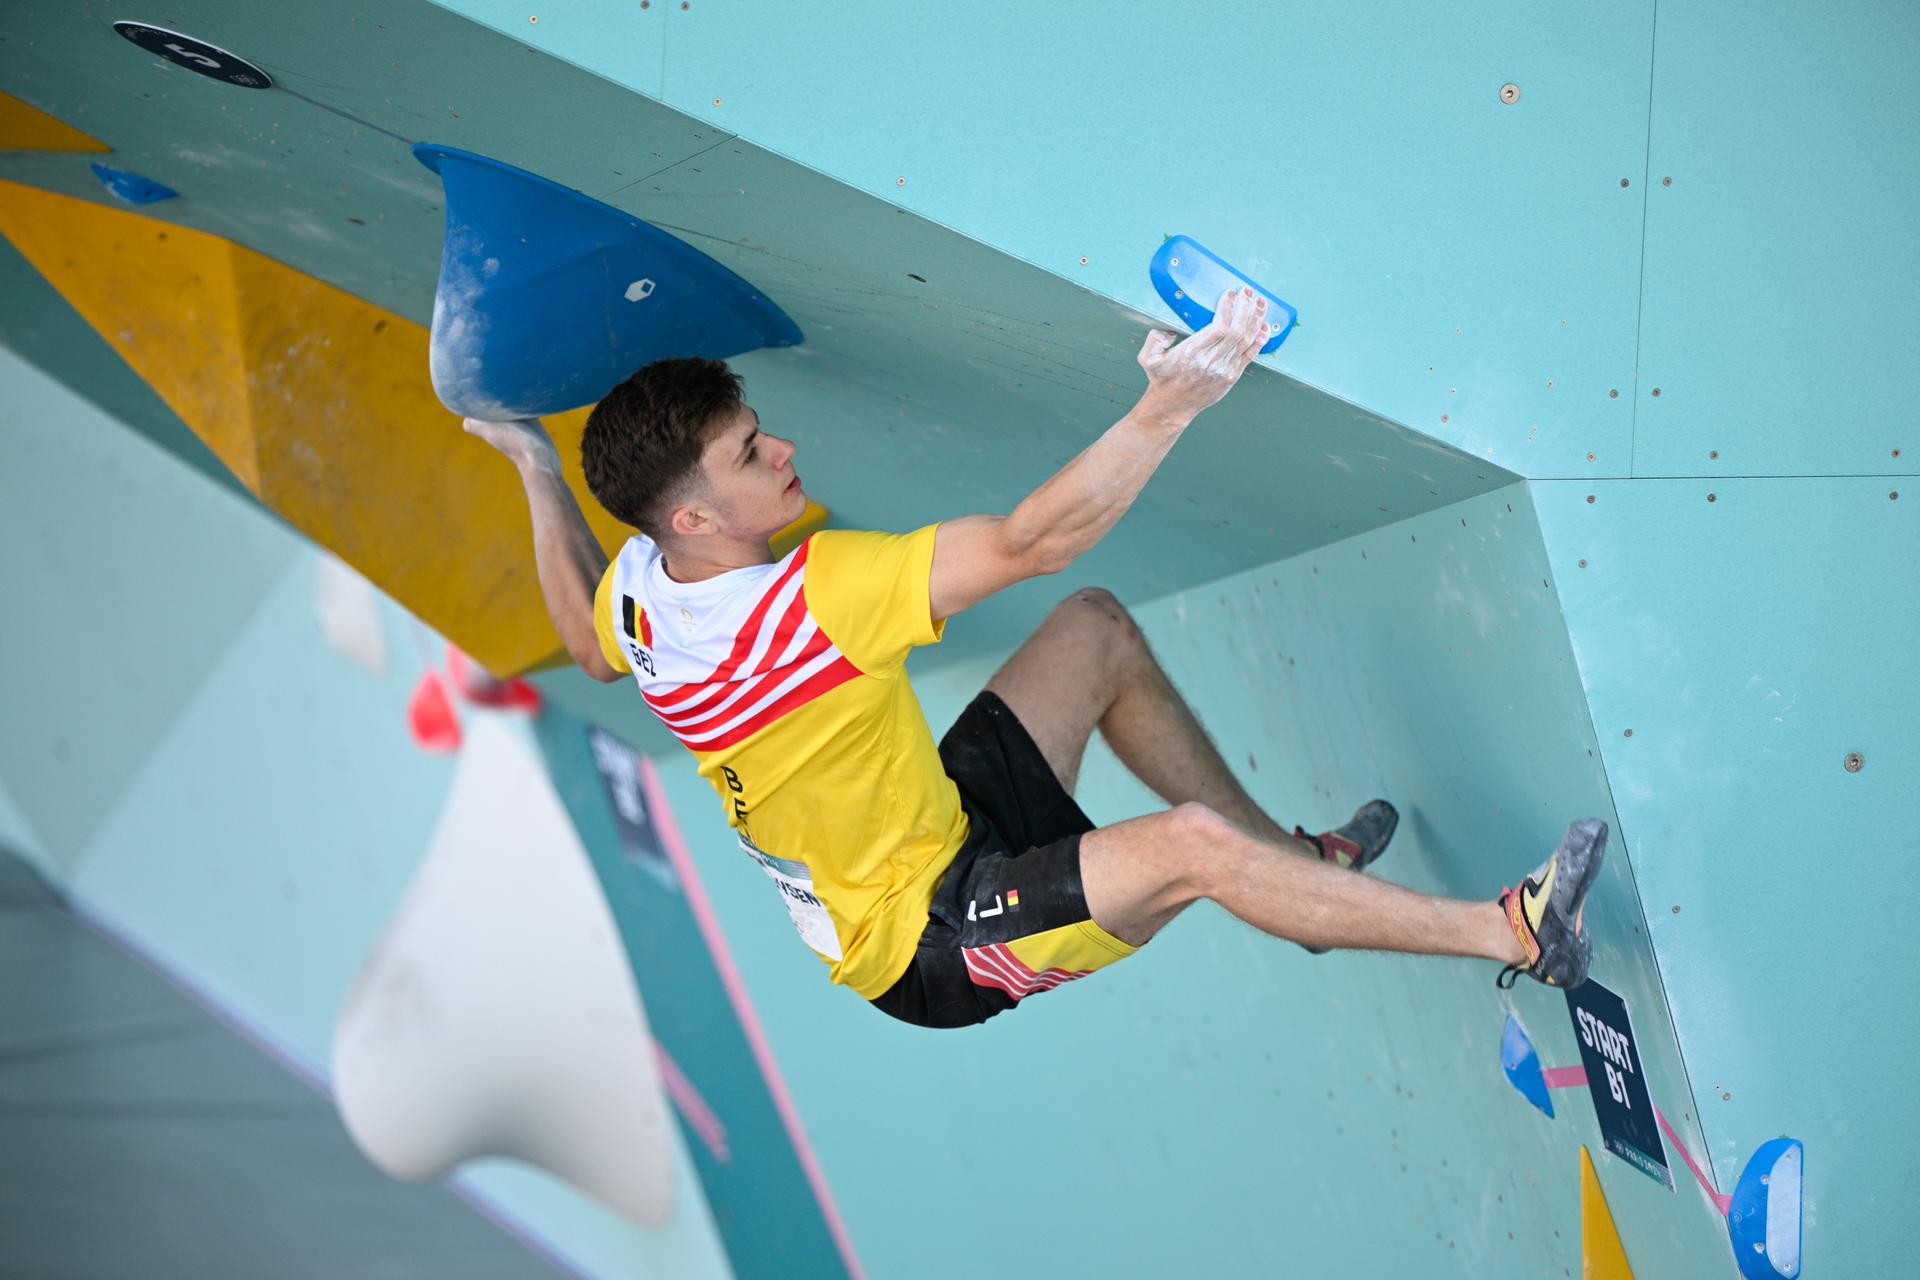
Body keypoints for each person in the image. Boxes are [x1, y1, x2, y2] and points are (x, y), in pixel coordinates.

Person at [467, 287, 1604, 1029]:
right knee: (1189, 848)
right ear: (695, 519)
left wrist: (531, 464)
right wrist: (1171, 404)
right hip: (930, 942)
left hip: (942, 821)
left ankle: (1297, 878)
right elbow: (1032, 540)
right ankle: (1509, 930)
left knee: (1095, 628)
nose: (785, 451)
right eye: (752, 452)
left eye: (762, 429)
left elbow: (580, 632)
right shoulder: (808, 602)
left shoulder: (645, 590)